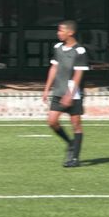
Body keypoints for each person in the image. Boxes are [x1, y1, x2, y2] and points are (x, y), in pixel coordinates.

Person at [42, 20, 89, 167]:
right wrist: (46, 89)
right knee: (52, 121)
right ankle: (70, 143)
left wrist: (70, 94)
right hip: (58, 91)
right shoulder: (57, 48)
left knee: (76, 125)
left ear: (70, 32)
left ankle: (75, 158)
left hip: (73, 95)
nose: (58, 33)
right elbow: (54, 68)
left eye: (61, 31)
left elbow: (78, 75)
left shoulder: (80, 51)